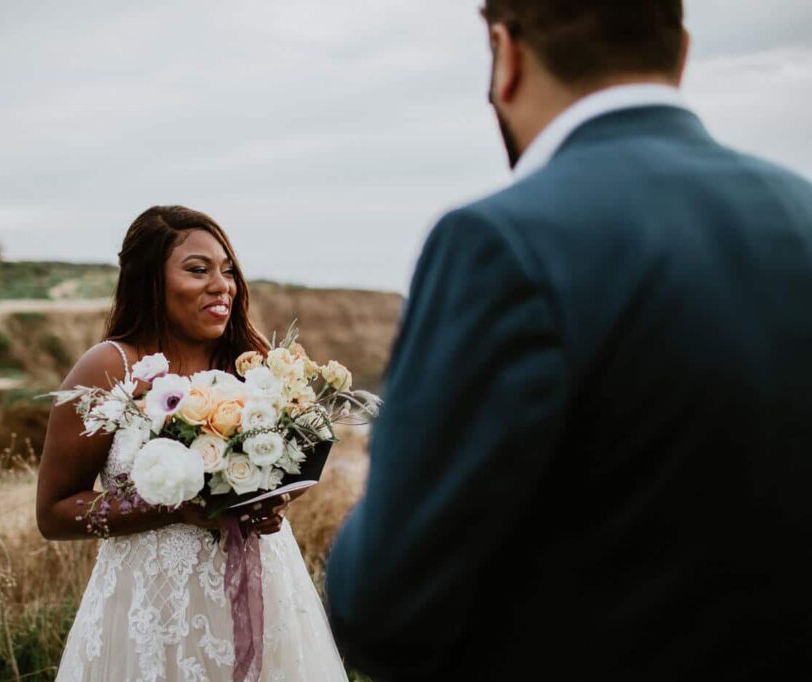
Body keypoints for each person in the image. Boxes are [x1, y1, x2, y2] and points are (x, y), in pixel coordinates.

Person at [326, 1, 812, 679]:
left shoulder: (501, 240)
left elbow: (380, 609)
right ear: (681, 52)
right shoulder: (799, 210)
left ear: (506, 53)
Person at [37, 205, 347, 681]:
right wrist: (170, 506)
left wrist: (272, 501)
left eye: (227, 271)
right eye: (198, 270)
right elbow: (54, 512)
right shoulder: (109, 367)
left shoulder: (254, 363)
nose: (221, 285)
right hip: (152, 608)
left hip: (265, 588)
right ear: (150, 281)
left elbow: (287, 464)